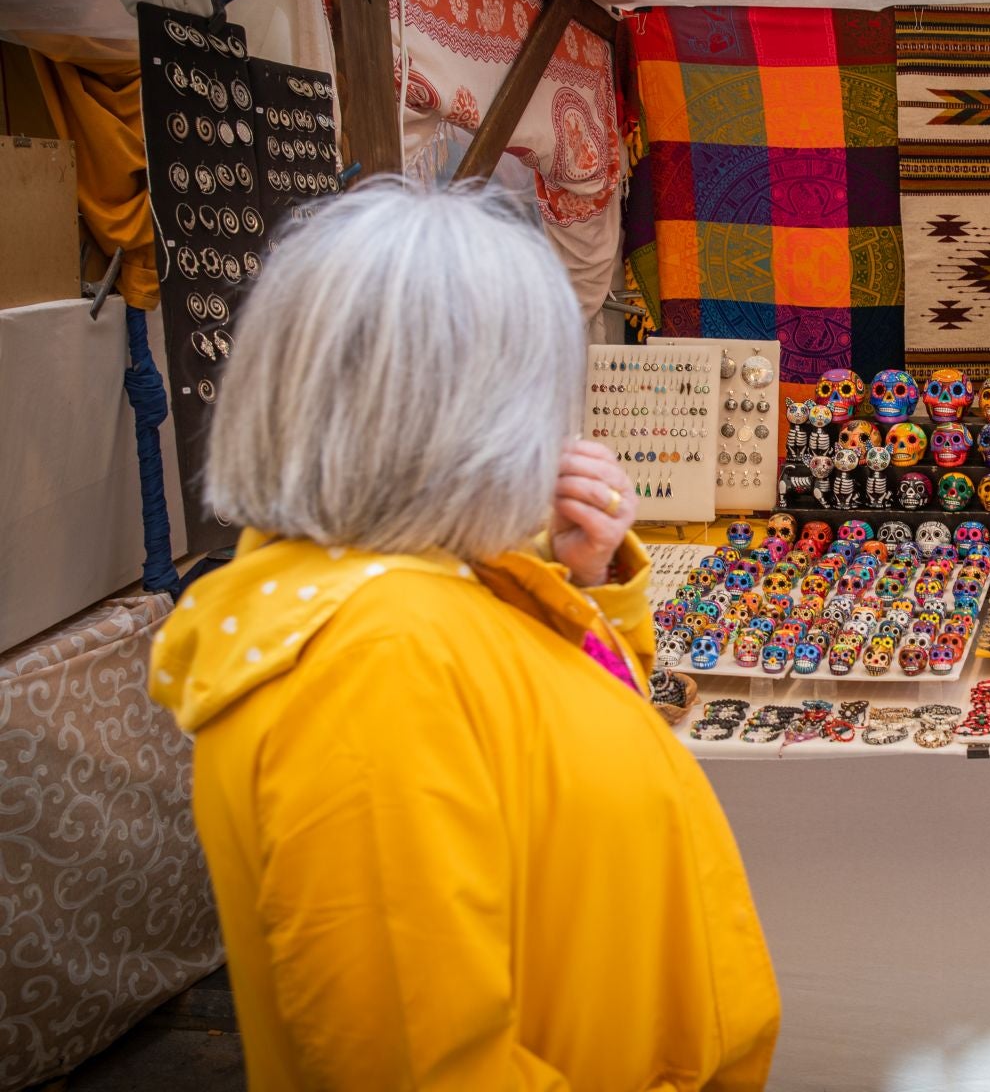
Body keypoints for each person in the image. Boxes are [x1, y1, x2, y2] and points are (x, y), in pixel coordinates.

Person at [149, 180, 779, 1090]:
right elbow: (421, 1061)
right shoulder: (373, 664)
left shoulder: (424, 586)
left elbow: (558, 741)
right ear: (471, 413)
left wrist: (587, 579)